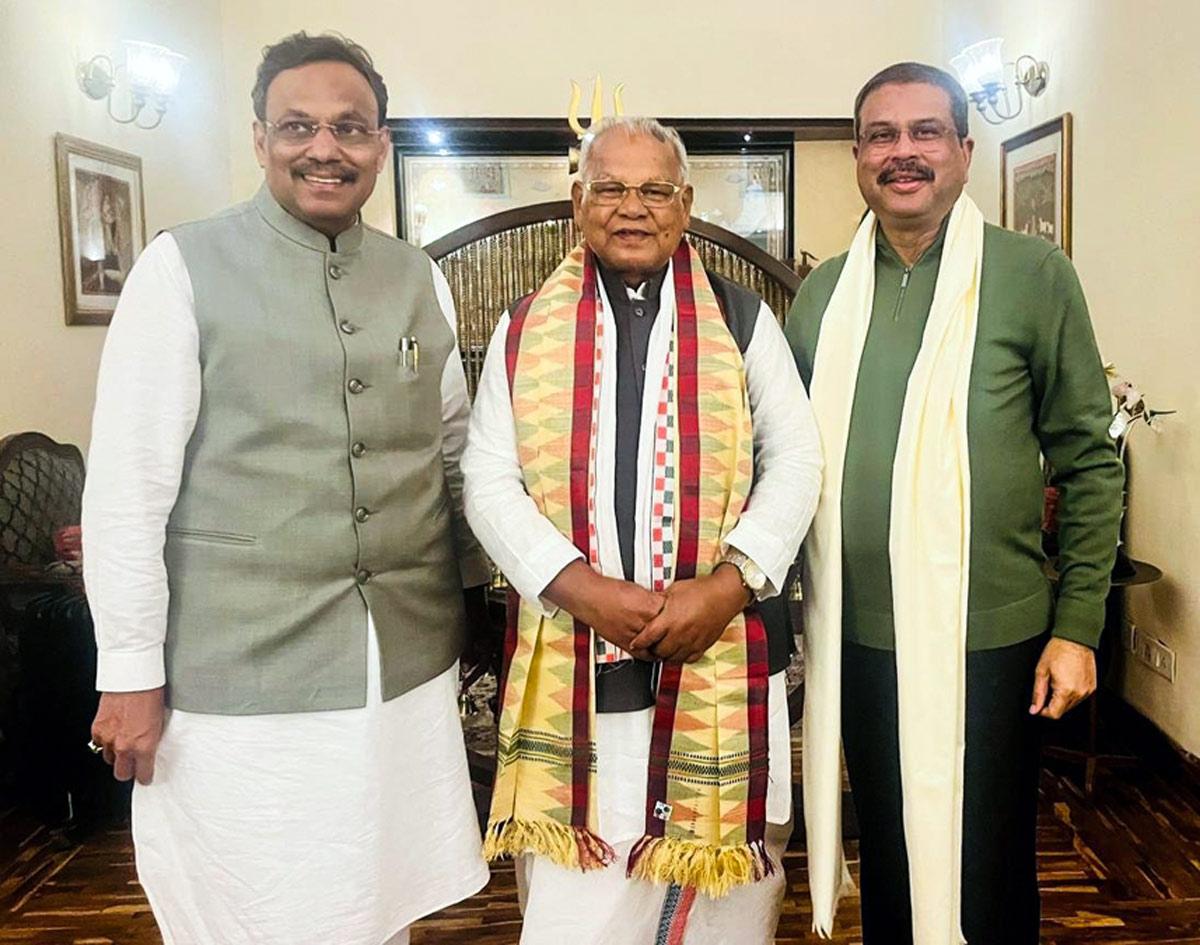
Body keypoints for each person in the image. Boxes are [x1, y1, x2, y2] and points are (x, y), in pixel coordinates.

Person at [82, 32, 490, 945]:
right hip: (239, 666)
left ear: (381, 144)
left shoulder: (419, 278)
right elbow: (127, 491)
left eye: (350, 127)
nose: (325, 148)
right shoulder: (181, 267)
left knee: (380, 892)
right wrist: (129, 671)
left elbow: (452, 452)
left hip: (401, 658)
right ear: (260, 137)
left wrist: (480, 603)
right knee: (252, 904)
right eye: (299, 126)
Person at [461, 116, 822, 945]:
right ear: (577, 201)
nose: (633, 206)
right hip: (575, 648)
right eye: (611, 188)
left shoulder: (742, 320)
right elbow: (486, 475)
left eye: (655, 189)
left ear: (686, 203)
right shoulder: (524, 327)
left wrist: (727, 586)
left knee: (725, 899)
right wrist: (577, 587)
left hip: (721, 641)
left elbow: (798, 459)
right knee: (581, 895)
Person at [786, 62, 1124, 945]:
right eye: (881, 135)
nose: (903, 152)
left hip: (993, 639)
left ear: (966, 151)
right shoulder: (823, 294)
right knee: (891, 852)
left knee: (986, 864)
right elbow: (783, 457)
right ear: (859, 157)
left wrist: (1078, 626)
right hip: (858, 636)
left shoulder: (1031, 274)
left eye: (925, 131)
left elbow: (1090, 460)